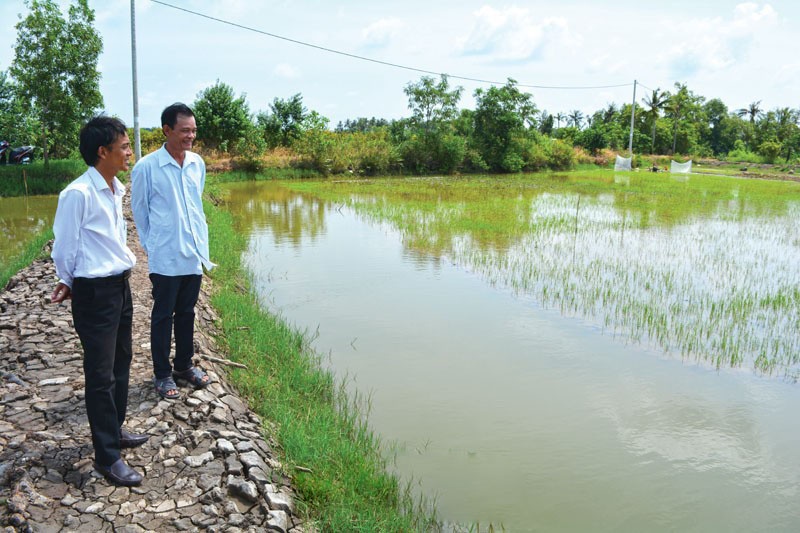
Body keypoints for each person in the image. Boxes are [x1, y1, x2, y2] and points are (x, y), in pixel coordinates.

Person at [51, 116, 148, 487]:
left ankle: (116, 430)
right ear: (102, 152)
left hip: (119, 286)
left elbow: (111, 239)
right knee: (100, 374)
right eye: (123, 146)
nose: (129, 152)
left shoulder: (114, 187)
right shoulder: (78, 194)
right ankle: (107, 457)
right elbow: (66, 245)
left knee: (122, 361)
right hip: (95, 292)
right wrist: (68, 279)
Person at [131, 103, 215, 400]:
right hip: (165, 255)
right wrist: (152, 245)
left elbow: (195, 203)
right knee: (163, 315)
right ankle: (162, 373)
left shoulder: (196, 163)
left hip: (193, 252)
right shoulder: (147, 167)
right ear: (167, 130)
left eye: (193, 130)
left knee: (187, 313)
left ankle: (183, 366)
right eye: (184, 131)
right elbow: (139, 212)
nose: (190, 136)